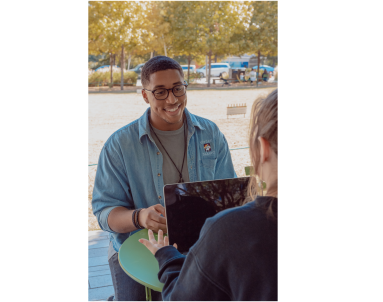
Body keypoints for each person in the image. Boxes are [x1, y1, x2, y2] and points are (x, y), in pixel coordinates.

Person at [92, 56, 237, 302]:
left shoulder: (211, 133)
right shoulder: (119, 144)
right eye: (160, 92)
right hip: (136, 247)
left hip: (201, 242)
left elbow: (231, 196)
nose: (172, 99)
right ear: (145, 96)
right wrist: (140, 217)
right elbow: (105, 213)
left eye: (178, 88)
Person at [139, 88, 278, 302]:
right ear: (145, 95)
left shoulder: (227, 230)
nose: (172, 98)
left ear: (264, 149)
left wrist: (166, 256)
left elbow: (181, 298)